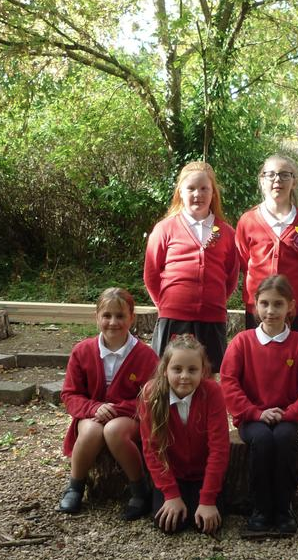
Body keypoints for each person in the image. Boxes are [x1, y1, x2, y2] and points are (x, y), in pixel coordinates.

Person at [220, 274, 298, 535]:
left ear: (291, 306)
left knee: (283, 439)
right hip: (252, 418)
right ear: (255, 305)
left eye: (278, 304)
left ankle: (283, 507)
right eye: (264, 303)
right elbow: (229, 382)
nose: (270, 311)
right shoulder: (242, 342)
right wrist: (255, 413)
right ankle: (261, 508)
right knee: (263, 440)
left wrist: (291, 413)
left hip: (287, 418)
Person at [58, 287, 159, 519]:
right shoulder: (82, 351)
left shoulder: (145, 356)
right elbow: (70, 394)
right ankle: (75, 486)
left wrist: (116, 409)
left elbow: (152, 398)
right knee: (91, 431)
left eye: (120, 316)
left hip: (129, 417)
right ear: (97, 317)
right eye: (107, 315)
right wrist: (94, 408)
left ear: (132, 318)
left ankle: (139, 489)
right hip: (91, 415)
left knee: (113, 431)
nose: (113, 322)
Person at [144, 161, 239, 372]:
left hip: (212, 318)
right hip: (174, 316)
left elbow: (231, 276)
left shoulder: (226, 232)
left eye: (204, 188)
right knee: (170, 373)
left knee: (208, 375)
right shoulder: (165, 228)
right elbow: (151, 274)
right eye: (191, 188)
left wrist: (214, 301)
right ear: (180, 192)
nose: (198, 194)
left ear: (213, 193)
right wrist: (166, 305)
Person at [139, 334, 230, 534]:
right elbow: (152, 450)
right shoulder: (151, 394)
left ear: (203, 371)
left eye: (192, 370)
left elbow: (219, 449)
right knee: (171, 524)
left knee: (205, 525)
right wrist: (171, 494)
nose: (184, 376)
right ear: (165, 370)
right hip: (172, 473)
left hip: (203, 473)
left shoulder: (212, 392)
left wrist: (207, 499)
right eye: (177, 369)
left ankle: (205, 497)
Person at [235, 155, 298, 333]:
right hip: (258, 309)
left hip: (295, 310)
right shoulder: (247, 221)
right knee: (258, 351)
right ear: (262, 180)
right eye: (271, 174)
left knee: (295, 350)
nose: (277, 180)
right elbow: (243, 262)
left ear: (294, 182)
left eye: (284, 175)